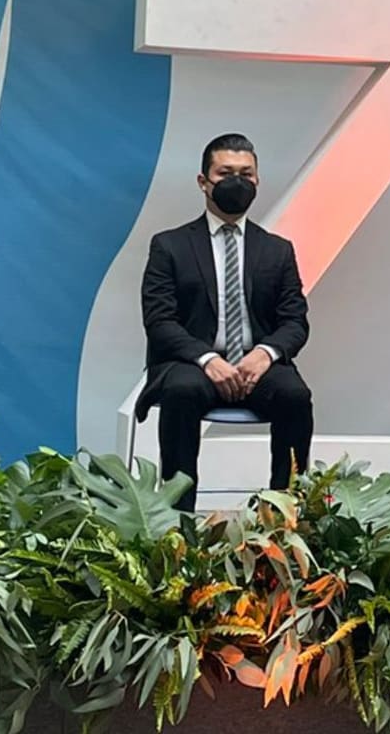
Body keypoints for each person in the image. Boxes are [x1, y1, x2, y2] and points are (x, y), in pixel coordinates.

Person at [139, 134, 311, 511]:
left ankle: (284, 515)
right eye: (225, 173)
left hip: (256, 365)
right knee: (181, 392)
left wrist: (266, 354)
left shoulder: (278, 250)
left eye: (246, 174)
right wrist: (208, 360)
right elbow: (159, 320)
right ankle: (177, 520)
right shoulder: (169, 246)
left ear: (258, 181)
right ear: (204, 181)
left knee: (295, 396)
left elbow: (295, 320)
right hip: (193, 364)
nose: (237, 182)